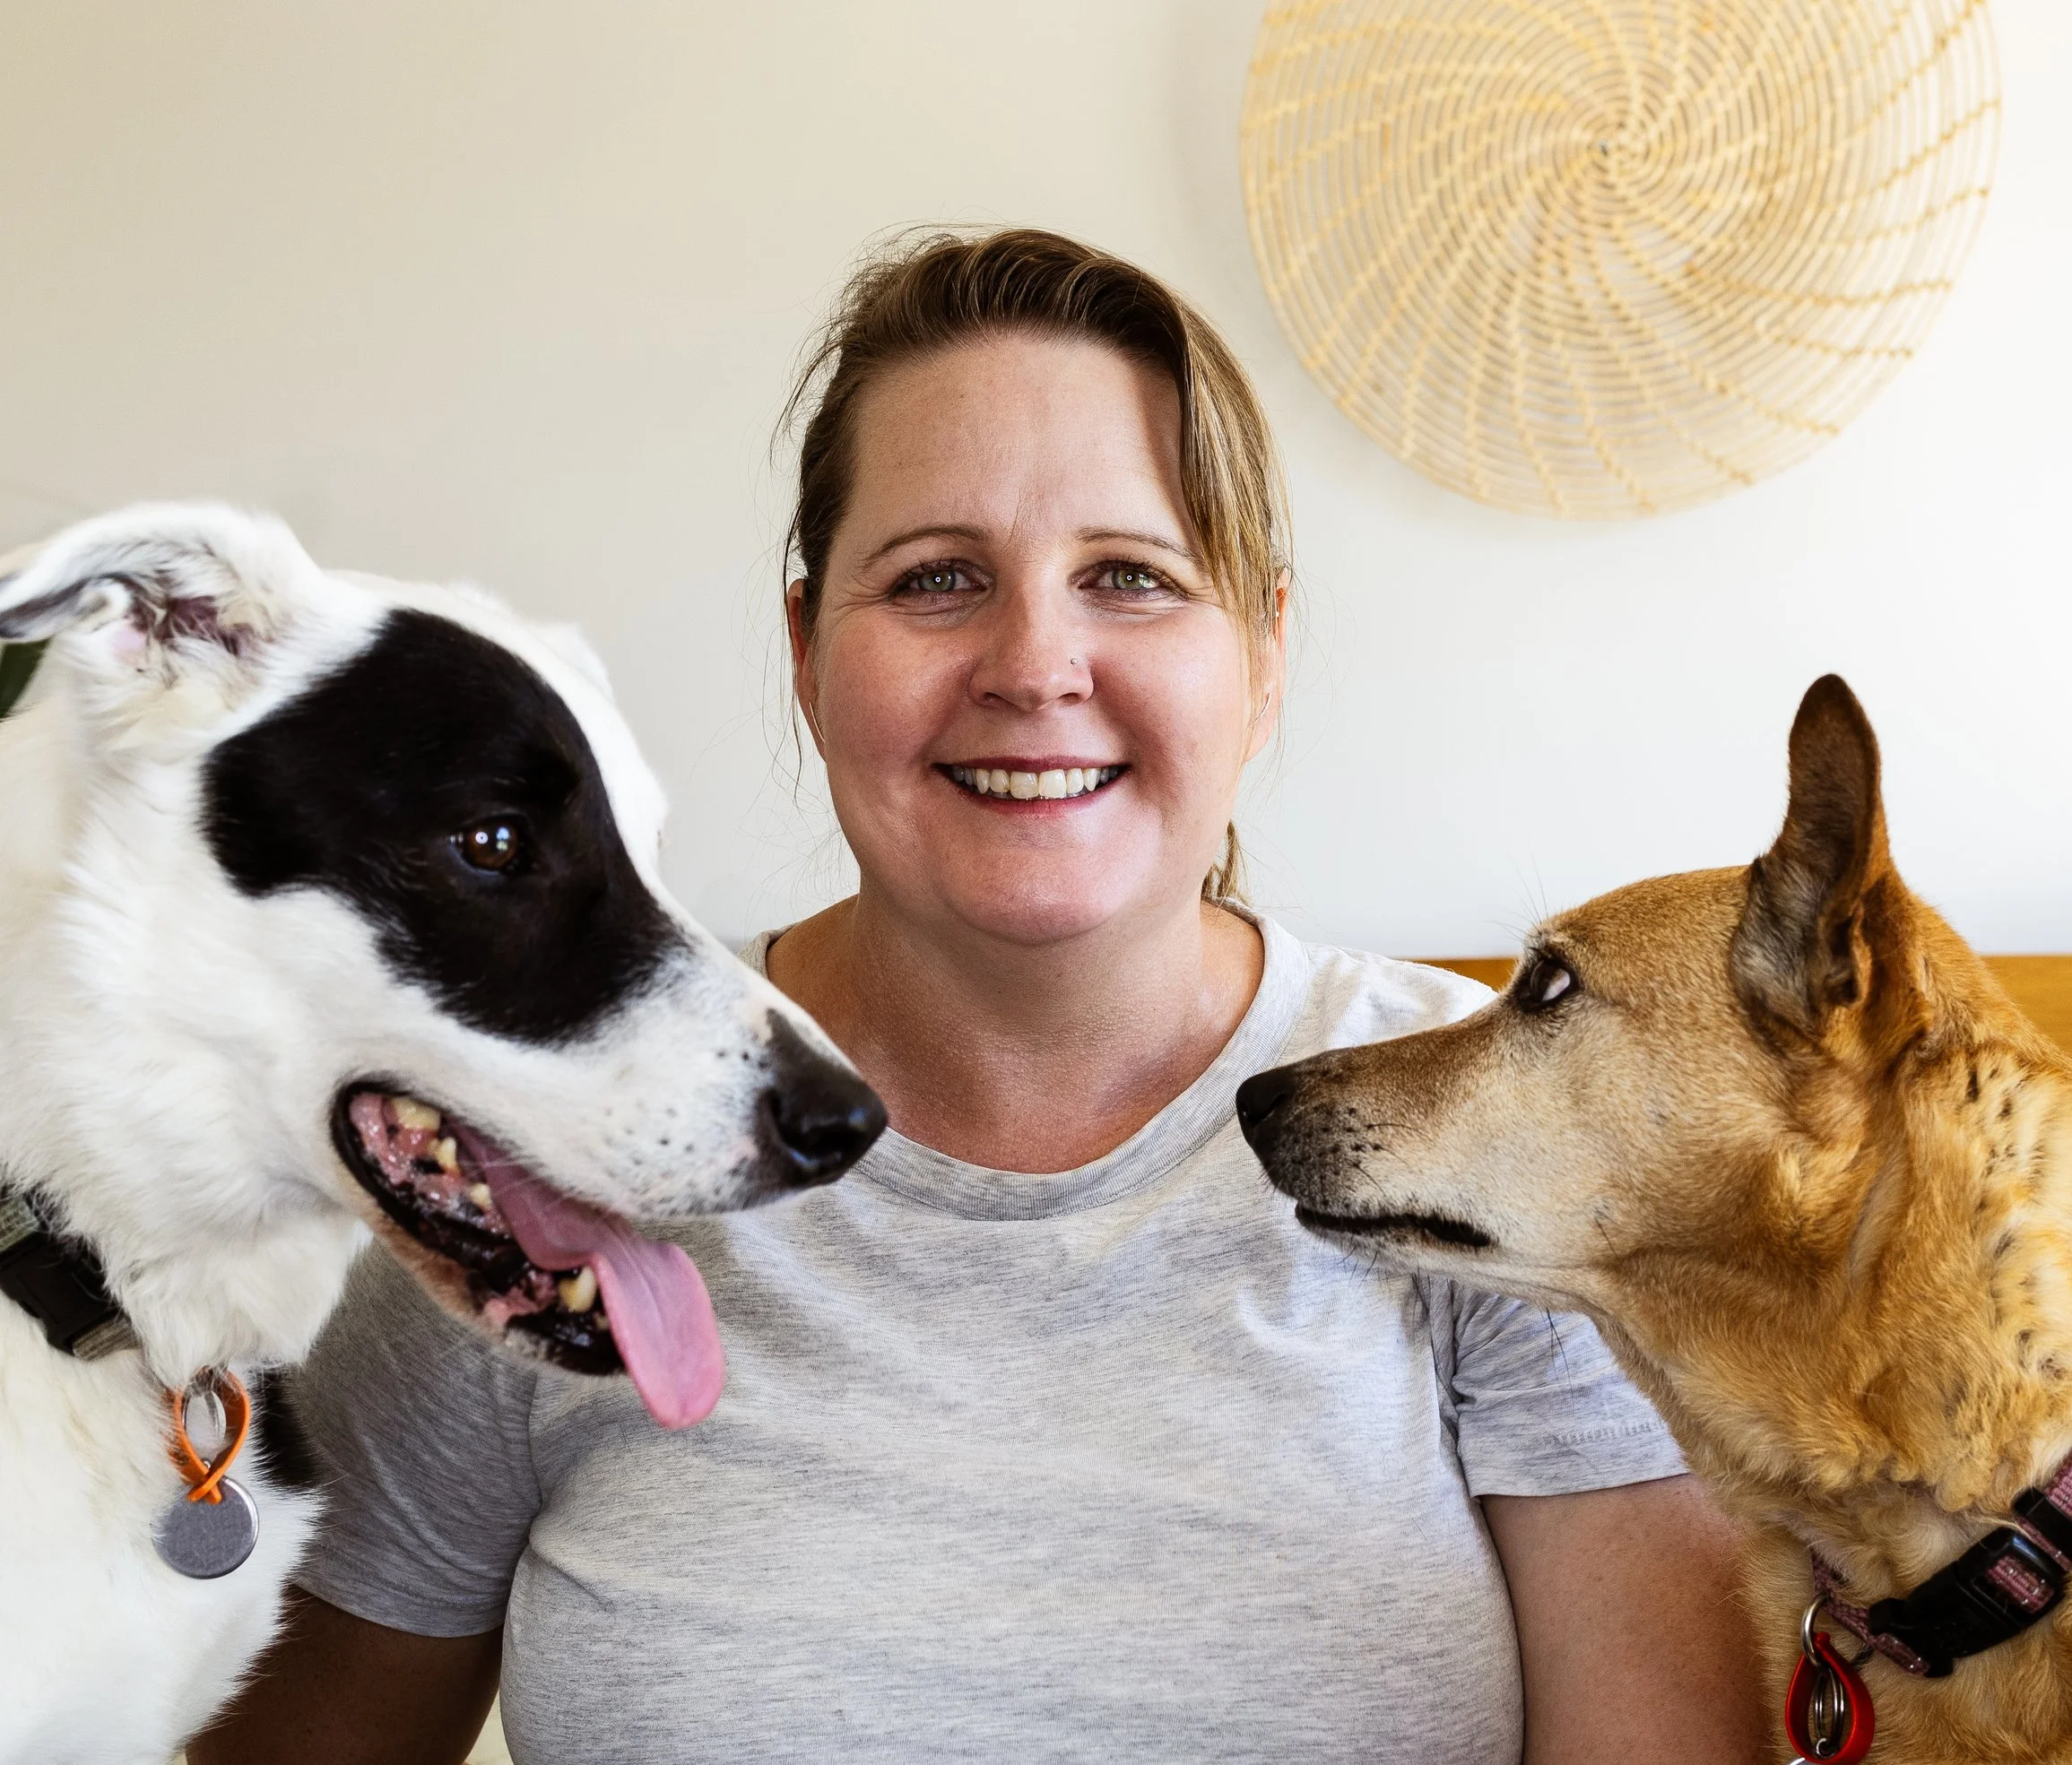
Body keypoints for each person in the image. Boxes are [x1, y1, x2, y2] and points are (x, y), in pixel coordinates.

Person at [195, 229, 1764, 1764]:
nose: (1034, 663)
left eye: (1131, 578)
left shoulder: (1518, 1124)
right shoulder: (531, 1143)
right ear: (809, 650)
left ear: (1264, 655)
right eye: (937, 579)